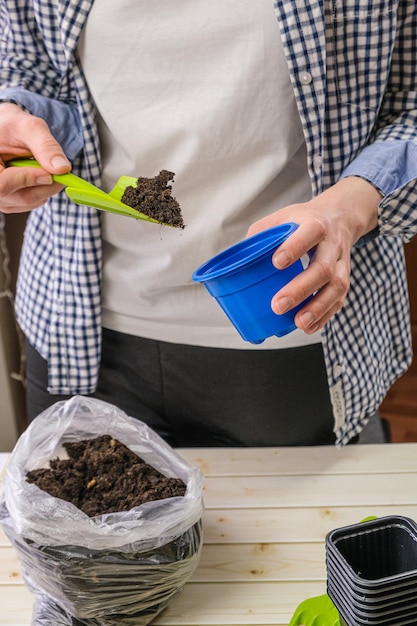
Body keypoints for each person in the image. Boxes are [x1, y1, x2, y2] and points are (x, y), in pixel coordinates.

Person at [0, 1, 416, 447]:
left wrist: (349, 206)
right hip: (80, 330)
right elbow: (29, 67)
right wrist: (14, 118)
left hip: (293, 333)